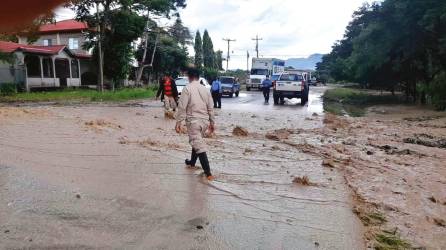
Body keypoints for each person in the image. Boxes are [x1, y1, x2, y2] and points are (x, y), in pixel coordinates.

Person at [175, 68, 215, 181]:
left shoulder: (187, 88)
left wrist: (178, 122)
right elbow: (211, 108)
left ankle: (208, 174)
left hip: (193, 122)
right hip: (204, 122)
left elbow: (182, 107)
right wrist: (212, 123)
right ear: (198, 77)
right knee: (196, 141)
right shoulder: (206, 89)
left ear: (189, 77)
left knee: (199, 145)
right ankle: (192, 163)